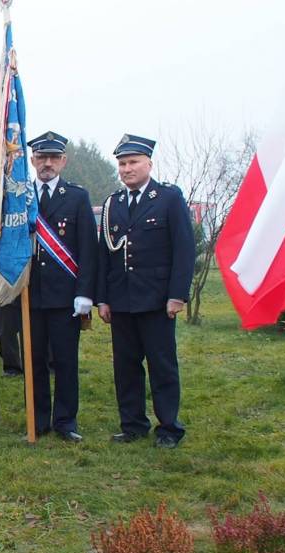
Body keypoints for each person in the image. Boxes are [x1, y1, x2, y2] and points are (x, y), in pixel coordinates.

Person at [96, 134, 195, 449]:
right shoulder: (114, 203)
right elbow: (105, 256)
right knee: (125, 367)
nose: (127, 169)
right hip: (122, 300)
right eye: (122, 164)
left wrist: (177, 295)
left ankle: (169, 427)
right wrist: (103, 298)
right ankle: (133, 424)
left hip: (156, 301)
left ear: (149, 164)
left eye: (133, 162)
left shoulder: (168, 198)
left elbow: (184, 249)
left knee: (162, 366)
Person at [24, 131, 98, 443]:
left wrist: (85, 293)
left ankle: (65, 421)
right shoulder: (22, 195)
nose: (47, 164)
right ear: (32, 160)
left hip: (66, 296)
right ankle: (38, 419)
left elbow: (88, 250)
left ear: (63, 161)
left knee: (66, 361)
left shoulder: (77, 196)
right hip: (31, 294)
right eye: (42, 158)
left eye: (54, 158)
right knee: (35, 360)